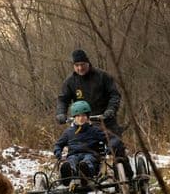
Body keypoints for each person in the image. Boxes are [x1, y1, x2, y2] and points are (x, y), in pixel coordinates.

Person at [55, 49, 134, 180]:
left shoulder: (102, 76)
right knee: (78, 148)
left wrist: (110, 110)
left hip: (105, 120)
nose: (80, 68)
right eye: (76, 65)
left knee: (117, 148)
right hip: (83, 122)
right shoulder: (70, 81)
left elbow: (114, 95)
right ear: (73, 66)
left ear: (88, 62)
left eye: (82, 64)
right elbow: (63, 99)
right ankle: (78, 173)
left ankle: (126, 178)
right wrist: (61, 113)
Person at [53, 100, 107, 186]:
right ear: (74, 118)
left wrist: (111, 148)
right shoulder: (68, 132)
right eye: (78, 116)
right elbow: (58, 144)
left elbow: (108, 139)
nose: (81, 118)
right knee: (71, 161)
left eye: (83, 115)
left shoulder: (95, 130)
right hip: (73, 155)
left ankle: (85, 174)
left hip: (91, 154)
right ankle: (68, 174)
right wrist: (57, 151)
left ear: (88, 117)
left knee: (87, 161)